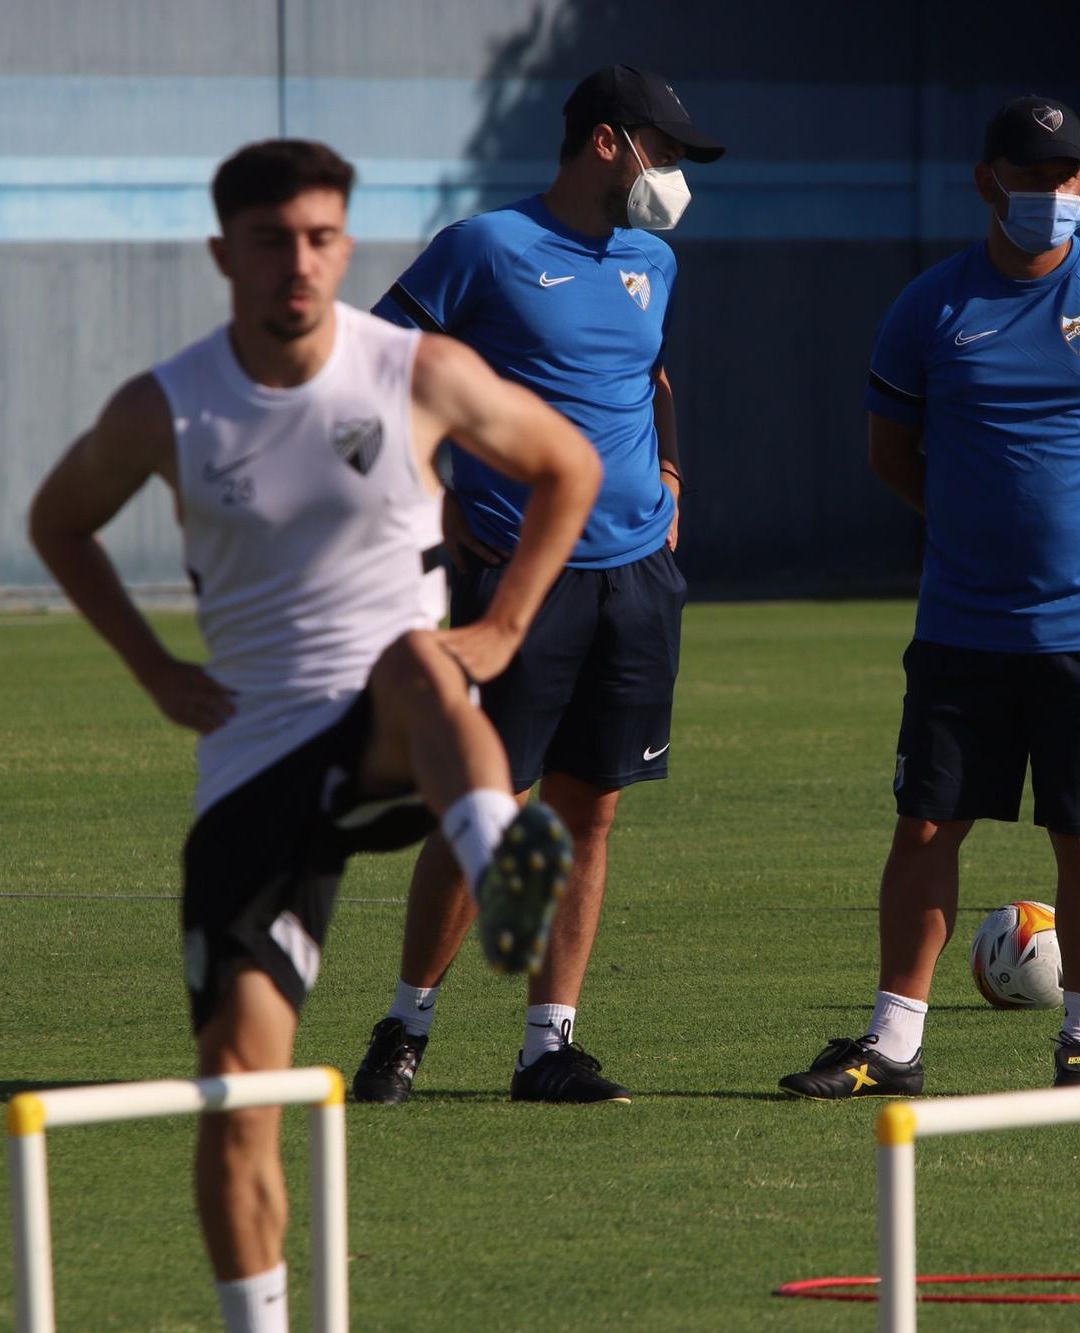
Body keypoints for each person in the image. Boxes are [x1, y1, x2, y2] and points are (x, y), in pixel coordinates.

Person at [27, 139, 601, 1333]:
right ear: (221, 252)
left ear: (346, 242)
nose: (301, 261)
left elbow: (569, 464)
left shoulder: (414, 371)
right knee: (240, 1093)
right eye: (274, 239)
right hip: (254, 764)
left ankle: (503, 861)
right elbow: (59, 521)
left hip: (399, 724)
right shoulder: (167, 405)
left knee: (415, 660)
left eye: (323, 237)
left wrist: (498, 628)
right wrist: (153, 669)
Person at [778, 95, 1080, 1100]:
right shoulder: (929, 306)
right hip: (964, 626)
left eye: (1066, 177)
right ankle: (892, 1045)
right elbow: (890, 455)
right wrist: (974, 530)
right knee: (926, 828)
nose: (1051, 195)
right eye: (1030, 175)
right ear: (986, 181)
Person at [350, 65, 724, 1107]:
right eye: (667, 152)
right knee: (485, 809)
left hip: (638, 579)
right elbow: (378, 375)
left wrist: (673, 475)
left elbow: (648, 377)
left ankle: (545, 1046)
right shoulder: (484, 248)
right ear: (606, 144)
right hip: (521, 580)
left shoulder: (653, 259)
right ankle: (404, 1025)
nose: (676, 177)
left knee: (588, 814)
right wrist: (432, 501)